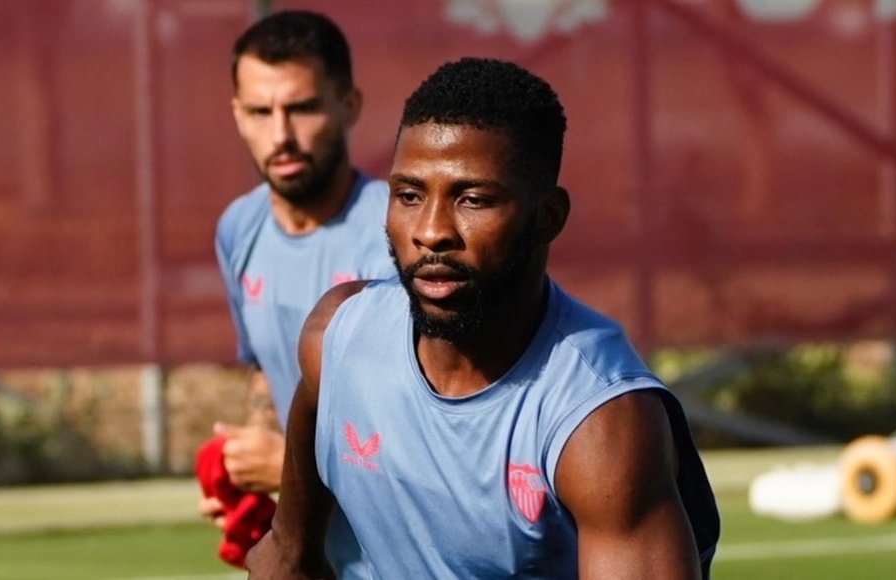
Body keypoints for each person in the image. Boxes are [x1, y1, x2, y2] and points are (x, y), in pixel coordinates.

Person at [247, 56, 720, 578]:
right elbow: (286, 555)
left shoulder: (601, 423)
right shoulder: (336, 339)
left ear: (548, 217)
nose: (431, 231)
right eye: (408, 195)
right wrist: (289, 545)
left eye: (472, 199)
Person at [200, 9, 393, 571]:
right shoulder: (239, 227)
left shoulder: (398, 233)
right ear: (237, 115)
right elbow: (268, 367)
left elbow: (431, 427)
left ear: (349, 106)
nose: (280, 134)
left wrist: (285, 465)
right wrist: (249, 473)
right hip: (313, 557)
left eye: (303, 108)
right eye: (260, 112)